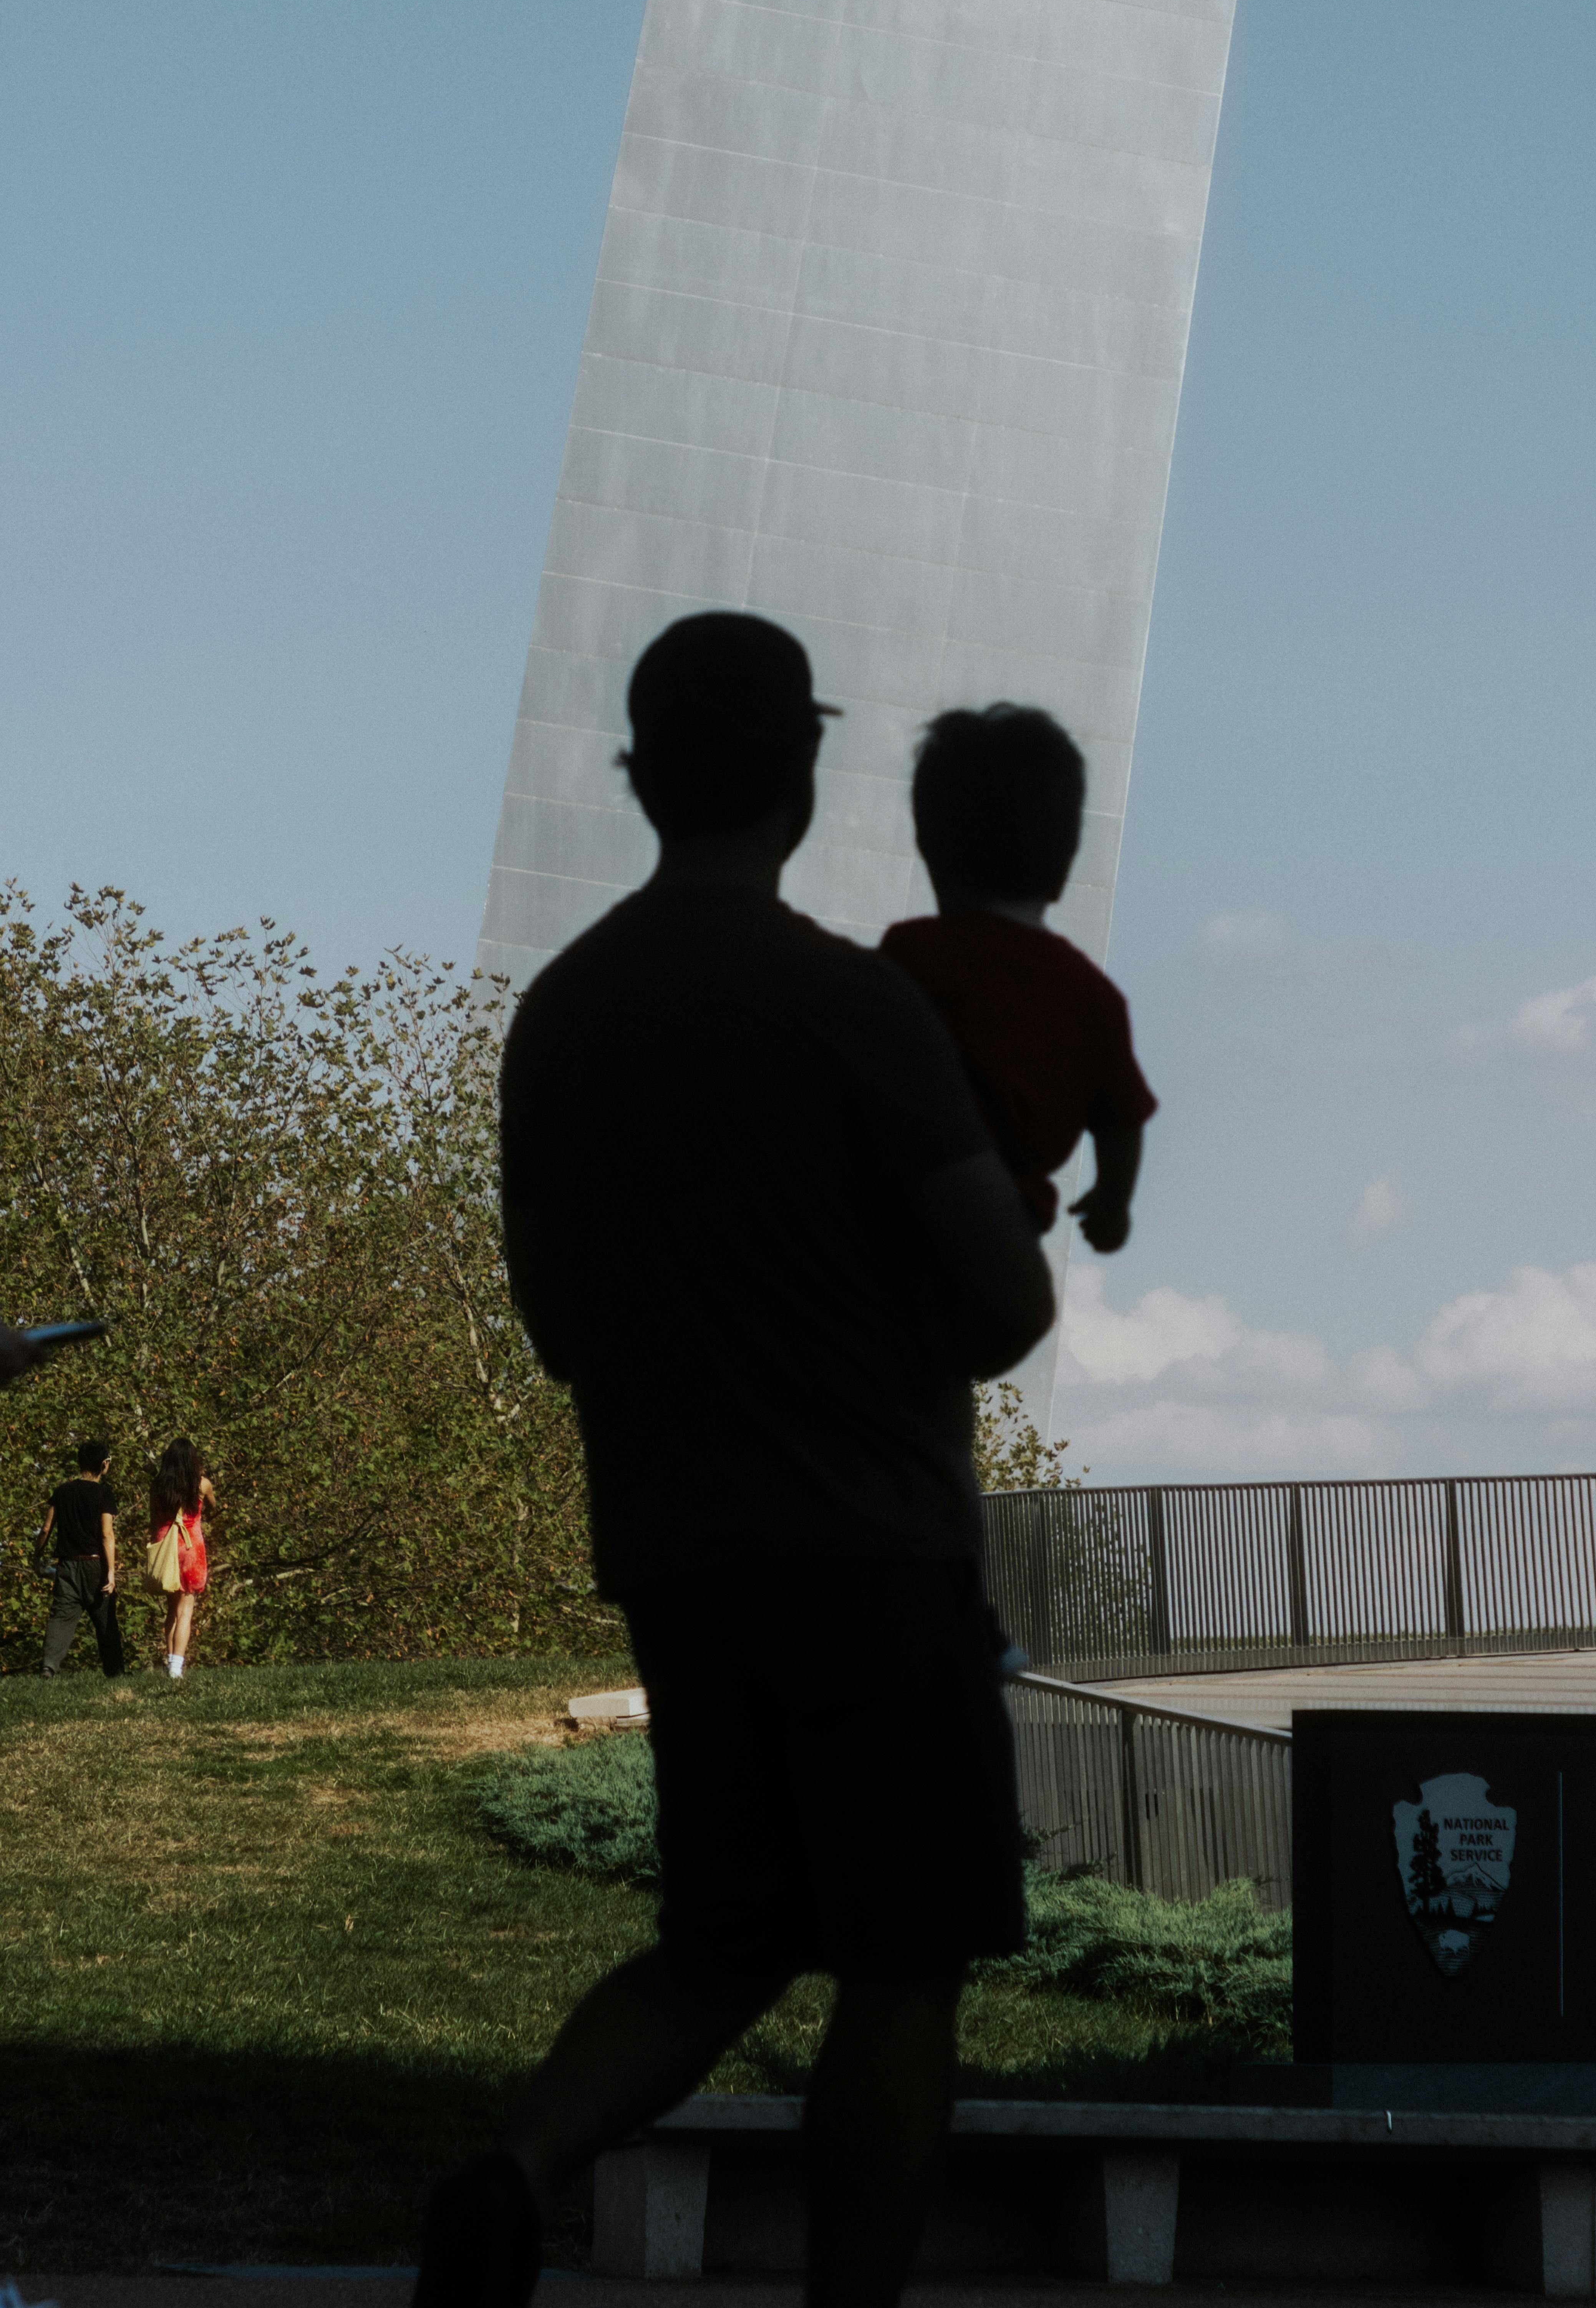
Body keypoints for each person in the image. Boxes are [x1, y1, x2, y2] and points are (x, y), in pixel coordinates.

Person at [415, 612, 1054, 2308]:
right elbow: (1002, 1305)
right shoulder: (852, 1008)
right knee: (904, 1963)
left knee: (726, 1931)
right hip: (872, 1552)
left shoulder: (561, 1020)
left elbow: (558, 1319)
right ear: (802, 771)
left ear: (639, 775)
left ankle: (518, 2167)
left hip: (682, 1550)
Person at [879, 704, 1157, 1254]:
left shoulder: (908, 956)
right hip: (1010, 1232)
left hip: (895, 1219)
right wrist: (1112, 1204)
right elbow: (1121, 1122)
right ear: (1065, 862)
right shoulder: (1094, 999)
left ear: (930, 849)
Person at [35, 1439, 126, 1678]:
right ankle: (115, 1671)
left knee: (62, 1617)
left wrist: (38, 1556)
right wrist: (111, 1573)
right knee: (105, 1618)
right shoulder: (104, 1493)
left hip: (67, 1565)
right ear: (105, 1464)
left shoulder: (63, 1492)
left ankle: (49, 1666)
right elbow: (107, 1534)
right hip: (95, 1564)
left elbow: (46, 1529)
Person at [149, 1437, 215, 1677]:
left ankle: (170, 1662)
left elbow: (154, 1518)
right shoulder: (202, 1484)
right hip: (191, 1547)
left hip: (166, 1543)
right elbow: (213, 1505)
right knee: (186, 1610)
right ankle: (176, 1668)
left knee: (171, 1609)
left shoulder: (157, 1486)